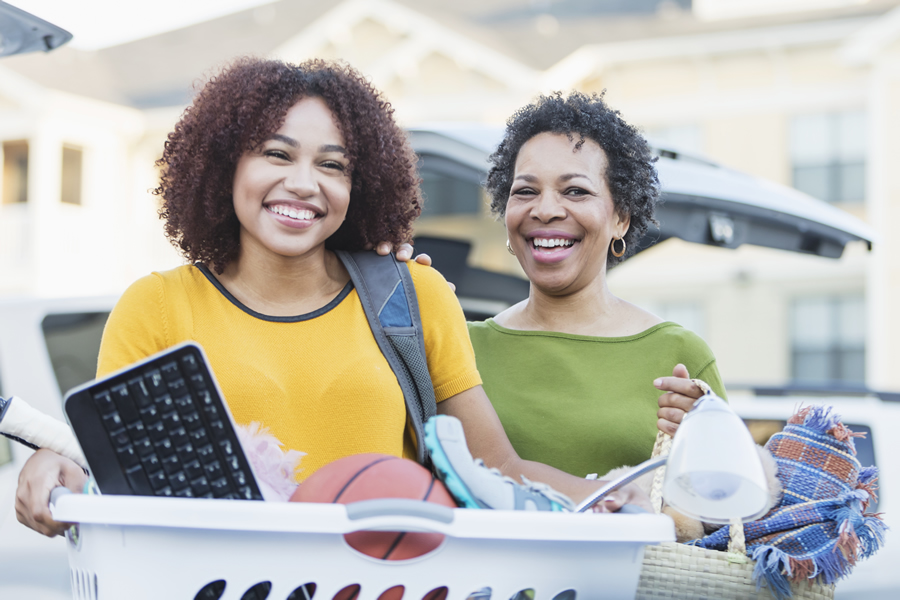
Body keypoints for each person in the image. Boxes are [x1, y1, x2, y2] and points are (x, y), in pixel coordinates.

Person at [15, 58, 643, 537]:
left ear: (360, 185)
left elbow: (496, 471)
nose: (303, 183)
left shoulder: (415, 296)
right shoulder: (154, 308)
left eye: (333, 166)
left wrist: (630, 498)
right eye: (276, 154)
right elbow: (122, 478)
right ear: (223, 166)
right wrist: (61, 469)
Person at [464, 91, 727, 480]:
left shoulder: (679, 356)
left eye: (576, 191)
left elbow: (726, 508)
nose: (546, 209)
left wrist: (704, 442)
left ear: (621, 218)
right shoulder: (462, 348)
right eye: (525, 191)